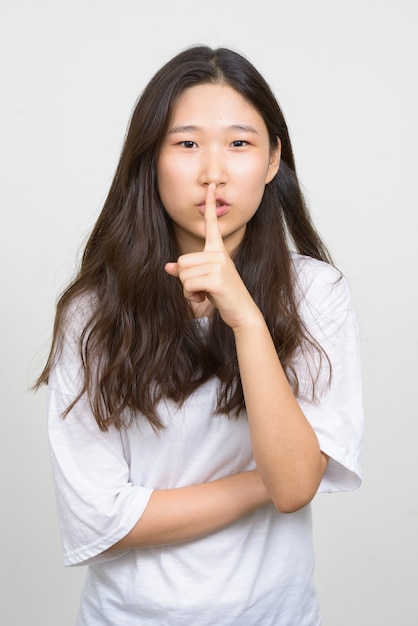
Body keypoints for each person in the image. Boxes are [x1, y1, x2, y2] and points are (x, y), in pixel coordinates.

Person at [36, 45, 363, 625]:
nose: (214, 172)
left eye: (240, 144)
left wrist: (246, 319)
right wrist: (268, 478)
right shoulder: (92, 312)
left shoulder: (316, 293)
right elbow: (101, 525)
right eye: (187, 144)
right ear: (151, 160)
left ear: (271, 160)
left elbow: (294, 489)